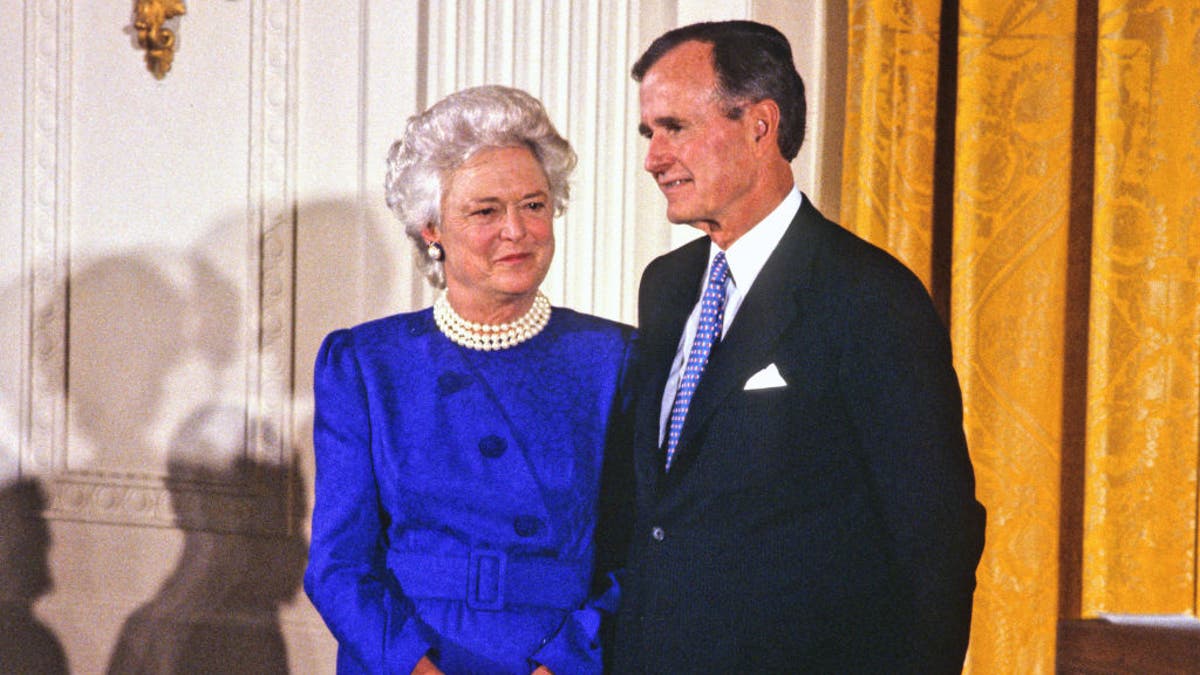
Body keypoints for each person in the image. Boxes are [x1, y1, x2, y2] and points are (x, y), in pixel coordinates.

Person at [612, 21, 986, 674]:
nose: (653, 157)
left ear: (760, 125)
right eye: (650, 134)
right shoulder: (666, 287)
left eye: (674, 126)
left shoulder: (870, 295)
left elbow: (937, 542)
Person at [304, 85, 634, 675]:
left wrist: (568, 661)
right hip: (406, 657)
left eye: (534, 205)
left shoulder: (614, 359)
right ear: (431, 227)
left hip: (560, 656)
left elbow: (638, 554)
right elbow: (337, 566)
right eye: (486, 211)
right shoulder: (365, 363)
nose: (517, 230)